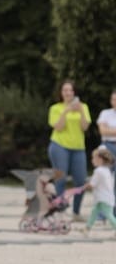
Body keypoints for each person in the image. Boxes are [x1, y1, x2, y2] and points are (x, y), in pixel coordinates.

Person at [48, 79, 91, 219]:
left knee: (80, 181)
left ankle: (76, 212)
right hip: (59, 146)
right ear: (61, 92)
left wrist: (81, 113)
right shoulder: (55, 108)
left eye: (70, 90)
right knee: (61, 179)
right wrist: (65, 111)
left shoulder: (83, 107)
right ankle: (59, 210)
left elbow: (85, 127)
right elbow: (58, 127)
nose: (68, 93)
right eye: (65, 90)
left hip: (78, 148)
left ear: (74, 92)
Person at [78, 146, 115, 236]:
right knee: (94, 213)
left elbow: (92, 185)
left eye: (93, 158)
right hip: (105, 198)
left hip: (103, 198)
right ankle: (87, 228)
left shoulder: (98, 171)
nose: (92, 160)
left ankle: (87, 228)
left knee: (109, 215)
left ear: (100, 159)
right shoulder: (106, 170)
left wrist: (83, 187)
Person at [96, 90, 116, 168]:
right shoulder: (105, 113)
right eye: (114, 99)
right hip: (108, 145)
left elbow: (106, 130)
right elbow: (102, 131)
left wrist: (109, 129)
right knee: (106, 172)